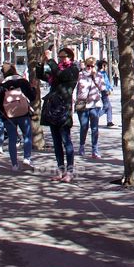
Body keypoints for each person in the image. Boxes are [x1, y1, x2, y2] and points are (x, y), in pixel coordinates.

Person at [38, 47, 80, 182]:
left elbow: (61, 75)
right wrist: (41, 62)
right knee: (56, 142)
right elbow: (42, 75)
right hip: (52, 108)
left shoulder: (72, 70)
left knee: (65, 140)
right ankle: (60, 170)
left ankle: (70, 171)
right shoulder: (56, 70)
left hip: (63, 109)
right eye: (60, 57)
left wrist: (51, 60)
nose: (61, 59)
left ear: (70, 58)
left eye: (64, 57)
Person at [0, 62, 35, 171]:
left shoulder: (2, 85)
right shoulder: (23, 81)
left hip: (9, 116)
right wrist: (34, 89)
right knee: (27, 135)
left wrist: (2, 116)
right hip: (24, 113)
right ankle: (27, 158)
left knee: (12, 139)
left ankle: (14, 164)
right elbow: (32, 97)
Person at [76, 57, 105, 159]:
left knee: (94, 128)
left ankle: (95, 149)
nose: (89, 68)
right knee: (84, 126)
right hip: (82, 104)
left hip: (94, 104)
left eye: (92, 66)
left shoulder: (99, 75)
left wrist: (95, 76)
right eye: (88, 65)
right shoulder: (80, 75)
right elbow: (75, 89)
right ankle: (82, 146)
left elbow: (102, 88)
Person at [96, 60, 115, 128]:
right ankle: (95, 116)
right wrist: (107, 89)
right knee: (106, 107)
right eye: (106, 66)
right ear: (103, 66)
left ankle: (109, 121)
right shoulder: (99, 74)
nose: (107, 67)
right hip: (103, 91)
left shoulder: (104, 73)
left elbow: (107, 82)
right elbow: (103, 83)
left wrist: (110, 88)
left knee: (109, 107)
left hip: (106, 90)